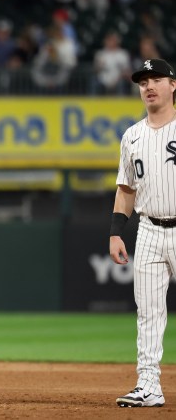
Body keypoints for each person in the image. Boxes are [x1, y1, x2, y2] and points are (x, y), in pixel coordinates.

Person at [110, 58, 176, 408]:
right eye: (143, 81)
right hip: (148, 228)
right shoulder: (132, 136)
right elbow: (125, 188)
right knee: (149, 312)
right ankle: (148, 385)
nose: (149, 86)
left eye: (156, 79)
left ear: (173, 85)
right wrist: (116, 232)